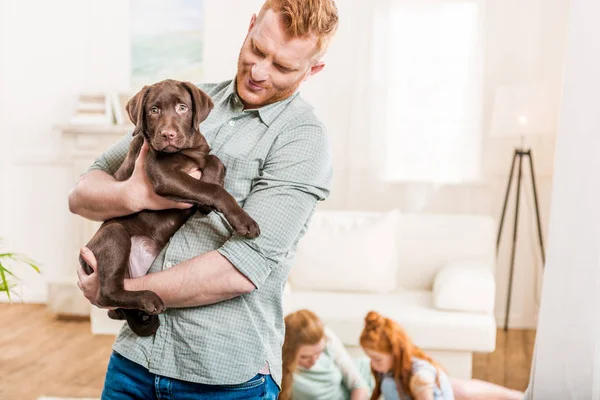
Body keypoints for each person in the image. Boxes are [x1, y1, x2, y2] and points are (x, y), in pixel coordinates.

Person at [68, 0, 339, 398]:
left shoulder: (303, 141)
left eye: (282, 66)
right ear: (249, 28)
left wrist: (121, 288)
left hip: (221, 375)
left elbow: (242, 268)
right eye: (258, 50)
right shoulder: (190, 101)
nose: (260, 71)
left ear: (312, 70)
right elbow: (82, 192)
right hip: (135, 359)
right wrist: (132, 193)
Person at [359, 311, 524, 400]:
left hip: (429, 385)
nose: (372, 364)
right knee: (461, 388)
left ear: (395, 354)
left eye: (377, 359)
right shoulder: (388, 371)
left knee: (464, 390)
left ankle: (519, 396)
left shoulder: (420, 378)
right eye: (370, 358)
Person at [281, 309, 373, 400]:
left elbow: (359, 386)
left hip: (369, 377)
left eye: (318, 353)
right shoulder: (281, 367)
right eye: (305, 357)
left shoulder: (327, 337)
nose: (314, 361)